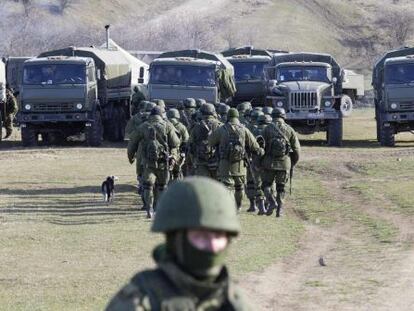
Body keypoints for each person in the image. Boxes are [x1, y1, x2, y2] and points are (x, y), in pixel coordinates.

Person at [105, 177, 251, 311]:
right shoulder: (141, 300)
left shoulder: (233, 299)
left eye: (219, 236)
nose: (212, 246)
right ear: (175, 239)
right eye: (200, 236)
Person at [127, 106, 180, 218]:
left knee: (148, 186)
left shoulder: (143, 126)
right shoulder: (168, 126)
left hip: (148, 163)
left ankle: (149, 208)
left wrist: (131, 157)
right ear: (161, 115)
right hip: (163, 162)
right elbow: (175, 143)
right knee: (162, 186)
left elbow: (132, 143)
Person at [209, 108, 264, 210]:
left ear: (228, 117)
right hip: (240, 165)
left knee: (227, 188)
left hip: (225, 165)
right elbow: (255, 147)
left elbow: (210, 142)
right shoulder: (244, 129)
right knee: (239, 187)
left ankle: (229, 208)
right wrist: (261, 151)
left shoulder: (221, 129)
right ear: (237, 117)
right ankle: (238, 206)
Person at [261, 108, 300, 217]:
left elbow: (259, 146)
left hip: (269, 163)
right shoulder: (289, 129)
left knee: (266, 185)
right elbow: (296, 149)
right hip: (284, 163)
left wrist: (259, 162)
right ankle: (279, 210)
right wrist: (292, 162)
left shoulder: (267, 129)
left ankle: (271, 201)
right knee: (281, 187)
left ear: (272, 116)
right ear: (283, 116)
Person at [189, 103, 222, 179]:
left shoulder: (196, 126)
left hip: (201, 162)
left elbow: (190, 145)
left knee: (202, 186)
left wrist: (193, 161)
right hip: (217, 162)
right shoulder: (220, 126)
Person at [166, 108, 189, 181]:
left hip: (165, 152)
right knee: (177, 172)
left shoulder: (165, 125)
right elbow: (186, 140)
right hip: (178, 153)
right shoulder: (182, 127)